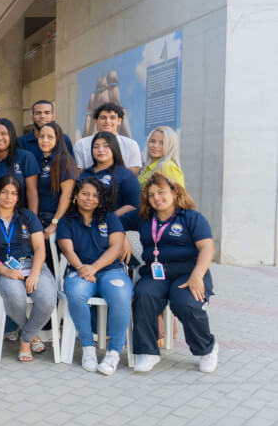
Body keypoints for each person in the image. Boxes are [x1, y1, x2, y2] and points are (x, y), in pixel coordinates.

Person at [121, 174, 217, 373]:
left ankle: (206, 349)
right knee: (143, 295)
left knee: (185, 303)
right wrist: (122, 238)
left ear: (174, 192)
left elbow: (207, 248)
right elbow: (113, 222)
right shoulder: (143, 216)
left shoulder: (191, 217)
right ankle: (147, 352)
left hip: (189, 272)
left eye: (161, 192)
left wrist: (197, 275)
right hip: (157, 274)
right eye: (151, 195)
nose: (157, 198)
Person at [56, 177, 133, 375]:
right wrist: (83, 268)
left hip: (109, 270)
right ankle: (88, 349)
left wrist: (94, 268)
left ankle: (114, 352)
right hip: (79, 270)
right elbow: (67, 250)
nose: (89, 199)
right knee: (76, 294)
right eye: (84, 194)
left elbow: (116, 247)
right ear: (76, 196)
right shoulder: (67, 220)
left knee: (121, 296)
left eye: (94, 195)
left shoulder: (110, 218)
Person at [0, 175, 57, 362]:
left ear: (18, 197)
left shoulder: (28, 216)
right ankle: (31, 338)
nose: (8, 197)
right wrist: (5, 271)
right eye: (4, 192)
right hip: (4, 268)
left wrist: (35, 274)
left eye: (13, 193)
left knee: (46, 300)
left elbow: (39, 248)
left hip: (33, 265)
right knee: (16, 298)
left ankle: (26, 338)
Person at [33, 121, 80, 234]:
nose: (45, 140)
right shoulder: (39, 161)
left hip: (56, 220)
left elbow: (67, 194)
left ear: (58, 139)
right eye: (42, 136)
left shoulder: (64, 160)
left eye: (50, 137)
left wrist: (54, 223)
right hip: (39, 219)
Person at [80, 132, 140, 217]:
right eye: (96, 147)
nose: (100, 150)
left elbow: (134, 204)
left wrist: (110, 219)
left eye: (106, 146)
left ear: (114, 148)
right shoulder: (85, 174)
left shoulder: (125, 175)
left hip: (112, 227)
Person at [0, 118, 39, 214]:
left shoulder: (25, 157)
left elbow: (32, 193)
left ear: (12, 135)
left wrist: (32, 220)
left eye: (4, 134)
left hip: (20, 216)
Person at [74, 102, 142, 173]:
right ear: (95, 121)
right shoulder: (81, 144)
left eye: (112, 118)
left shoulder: (131, 145)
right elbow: (79, 174)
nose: (107, 121)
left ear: (119, 121)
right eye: (103, 118)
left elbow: (132, 174)